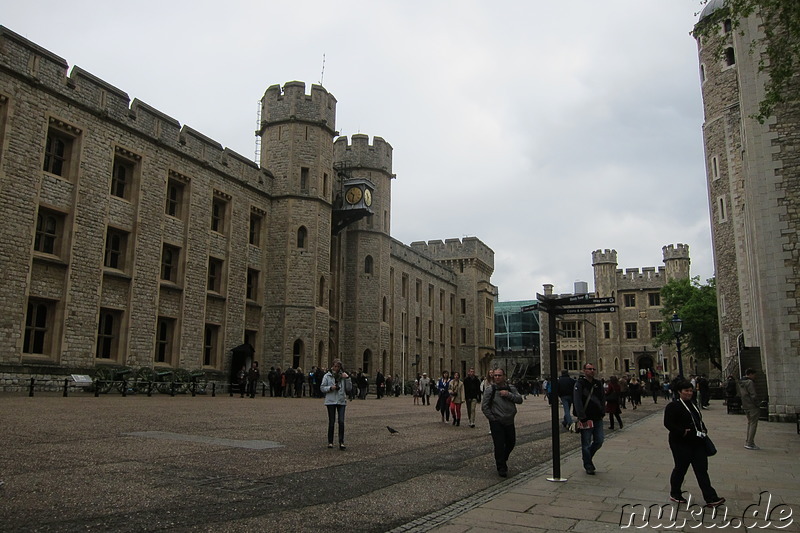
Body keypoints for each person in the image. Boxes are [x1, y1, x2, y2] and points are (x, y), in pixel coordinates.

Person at [663, 379, 725, 507]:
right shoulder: (673, 406)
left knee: (701, 469)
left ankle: (711, 497)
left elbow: (698, 420)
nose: (689, 393)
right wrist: (682, 432)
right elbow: (668, 423)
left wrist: (703, 429)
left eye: (691, 391)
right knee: (680, 468)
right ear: (679, 392)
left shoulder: (693, 404)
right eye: (686, 391)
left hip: (697, 442)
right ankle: (675, 493)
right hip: (680, 443)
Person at [481, 368, 523, 477]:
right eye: (495, 375)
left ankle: (503, 458)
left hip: (509, 420)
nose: (497, 377)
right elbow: (484, 406)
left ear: (504, 376)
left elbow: (519, 399)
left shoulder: (511, 388)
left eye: (499, 375)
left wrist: (508, 394)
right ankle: (501, 467)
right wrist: (492, 418)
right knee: (499, 444)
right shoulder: (490, 390)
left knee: (511, 442)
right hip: (497, 422)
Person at [573, 363, 605, 475]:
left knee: (599, 440)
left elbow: (602, 398)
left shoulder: (598, 383)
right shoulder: (580, 384)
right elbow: (577, 400)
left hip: (597, 417)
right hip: (586, 418)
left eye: (593, 369)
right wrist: (582, 417)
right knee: (586, 442)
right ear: (584, 370)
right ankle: (588, 465)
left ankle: (587, 457)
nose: (592, 371)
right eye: (589, 369)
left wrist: (602, 411)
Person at [320, 359, 352, 450]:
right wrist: (331, 388)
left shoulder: (343, 376)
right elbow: (322, 387)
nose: (336, 368)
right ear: (332, 366)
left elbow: (349, 388)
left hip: (341, 401)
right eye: (335, 366)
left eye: (338, 367)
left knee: (341, 422)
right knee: (331, 422)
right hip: (330, 401)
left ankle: (341, 442)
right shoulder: (327, 376)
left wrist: (348, 378)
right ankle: (330, 442)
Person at [739, 369, 760, 450]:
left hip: (745, 405)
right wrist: (757, 404)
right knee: (753, 424)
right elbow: (753, 395)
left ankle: (749, 441)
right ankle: (750, 442)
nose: (755, 377)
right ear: (750, 374)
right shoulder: (749, 382)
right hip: (752, 405)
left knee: (750, 423)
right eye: (754, 375)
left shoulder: (741, 382)